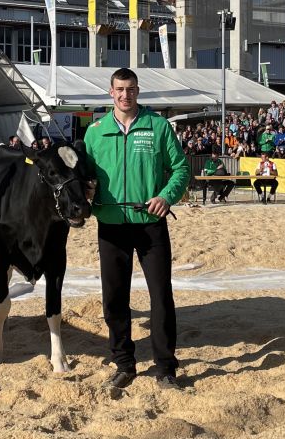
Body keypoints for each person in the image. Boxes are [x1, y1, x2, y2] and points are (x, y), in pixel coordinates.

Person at [84, 68, 190, 391]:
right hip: (111, 226)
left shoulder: (157, 127)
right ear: (110, 92)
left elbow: (181, 169)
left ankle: (165, 368)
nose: (124, 95)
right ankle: (124, 364)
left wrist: (166, 197)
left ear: (138, 91)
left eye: (130, 89)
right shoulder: (95, 132)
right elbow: (85, 177)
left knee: (160, 297)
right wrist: (86, 193)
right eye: (119, 89)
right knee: (114, 299)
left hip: (150, 226)